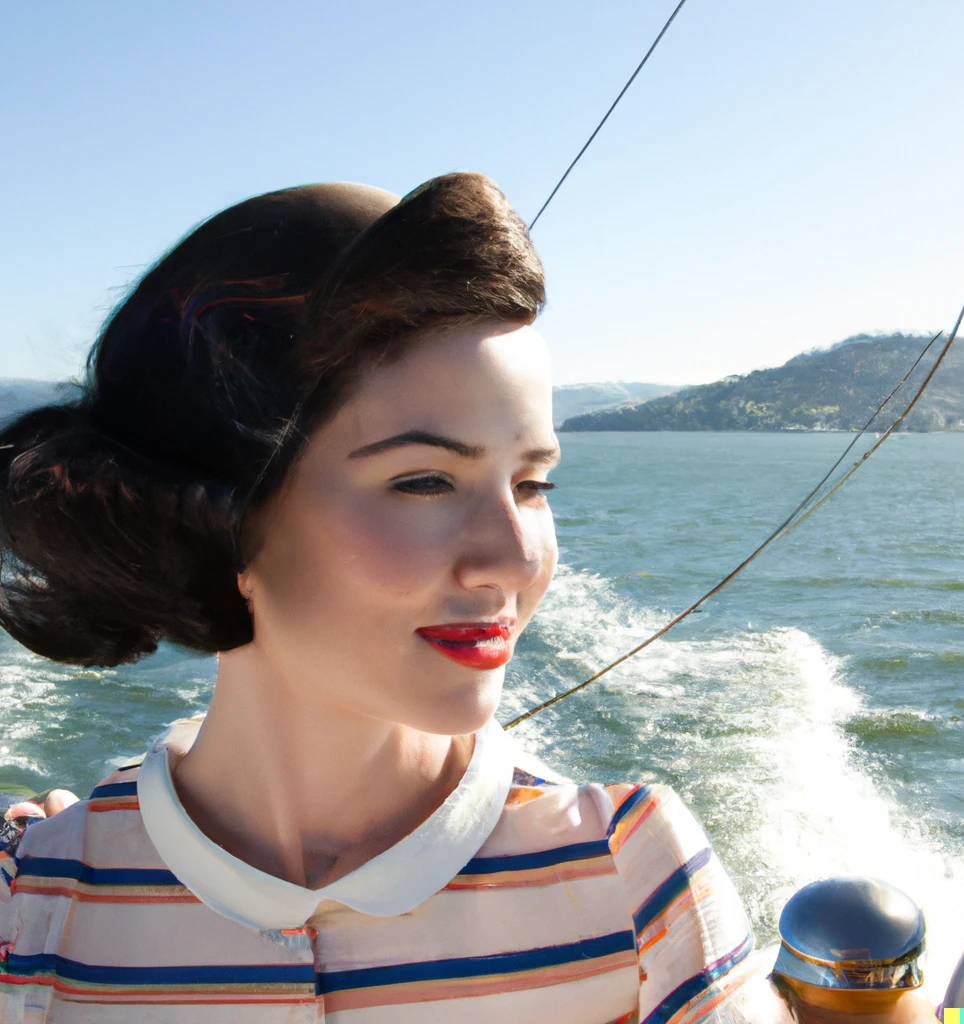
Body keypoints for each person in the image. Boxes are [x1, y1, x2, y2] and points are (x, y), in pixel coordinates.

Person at [0, 173, 763, 1022]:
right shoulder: (33, 914)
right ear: (216, 521)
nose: (512, 558)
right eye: (427, 481)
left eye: (534, 482)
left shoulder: (632, 884)